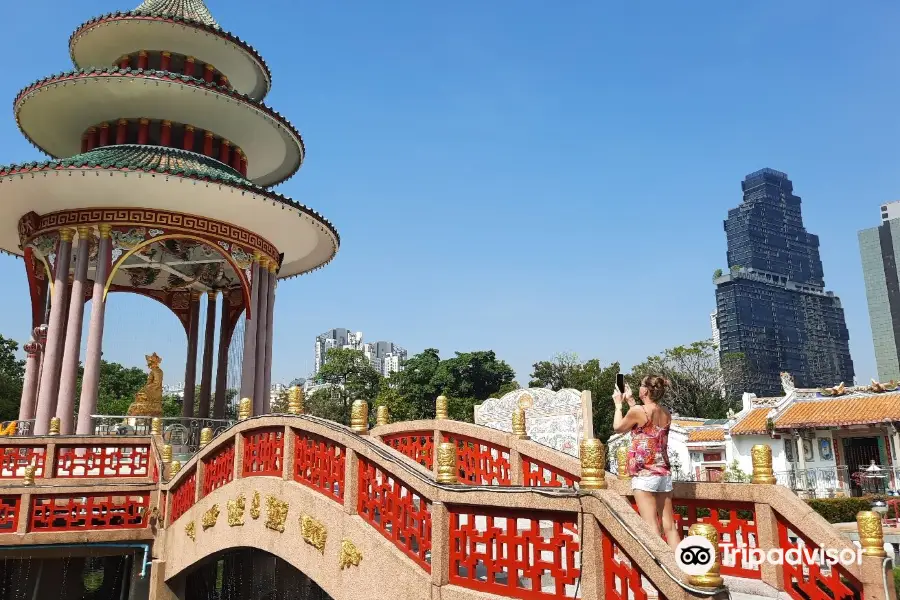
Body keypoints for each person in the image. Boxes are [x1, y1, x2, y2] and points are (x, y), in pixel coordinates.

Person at [612, 375, 681, 551]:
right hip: (663, 473)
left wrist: (618, 405)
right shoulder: (665, 412)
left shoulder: (638, 412)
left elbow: (618, 427)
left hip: (645, 474)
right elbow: (644, 422)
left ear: (645, 390)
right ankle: (681, 566)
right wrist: (631, 402)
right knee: (670, 526)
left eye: (641, 385)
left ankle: (663, 571)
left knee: (651, 526)